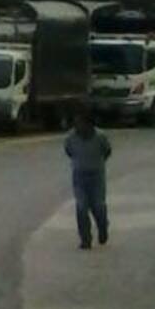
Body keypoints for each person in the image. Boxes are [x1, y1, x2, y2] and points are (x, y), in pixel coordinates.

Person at [63, 104, 112, 249]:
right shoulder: (71, 137)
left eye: (82, 124)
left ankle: (103, 227)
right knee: (81, 206)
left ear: (90, 124)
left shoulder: (100, 137)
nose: (79, 127)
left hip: (96, 176)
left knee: (98, 205)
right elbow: (69, 151)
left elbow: (107, 151)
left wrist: (96, 163)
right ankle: (85, 238)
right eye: (77, 124)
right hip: (79, 177)